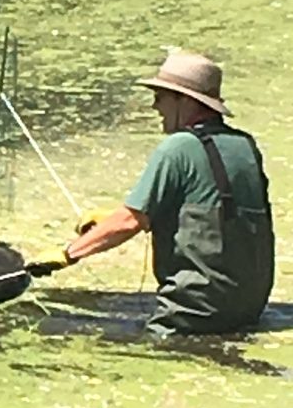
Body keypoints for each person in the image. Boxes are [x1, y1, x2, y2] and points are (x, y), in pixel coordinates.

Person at [28, 49, 275, 336]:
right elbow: (219, 213)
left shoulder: (178, 147)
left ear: (185, 100)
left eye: (160, 97)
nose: (154, 106)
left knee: (55, 334)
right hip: (250, 308)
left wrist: (67, 254)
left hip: (193, 312)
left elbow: (130, 221)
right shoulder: (245, 146)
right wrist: (110, 219)